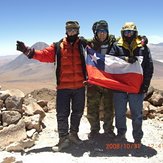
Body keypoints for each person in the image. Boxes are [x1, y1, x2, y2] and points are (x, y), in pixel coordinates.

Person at [16, 21, 87, 151]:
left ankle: (73, 135)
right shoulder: (57, 46)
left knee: (77, 113)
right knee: (62, 114)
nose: (72, 32)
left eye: (74, 30)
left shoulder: (83, 45)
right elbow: (44, 55)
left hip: (80, 87)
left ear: (78, 31)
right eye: (69, 30)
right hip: (63, 88)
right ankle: (63, 139)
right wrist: (27, 51)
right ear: (66, 31)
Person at [109, 22, 154, 144]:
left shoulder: (142, 47)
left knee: (137, 114)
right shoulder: (116, 46)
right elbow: (110, 61)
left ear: (135, 33)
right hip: (120, 86)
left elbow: (149, 67)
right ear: (122, 33)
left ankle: (137, 137)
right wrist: (125, 59)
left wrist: (145, 86)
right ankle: (121, 134)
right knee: (119, 113)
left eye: (131, 32)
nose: (128, 34)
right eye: (126, 32)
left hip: (137, 87)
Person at [86, 20, 116, 139]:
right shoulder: (90, 43)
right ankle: (94, 130)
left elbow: (127, 39)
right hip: (94, 81)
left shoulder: (113, 42)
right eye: (99, 31)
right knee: (92, 107)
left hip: (108, 81)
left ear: (107, 32)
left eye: (104, 31)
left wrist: (141, 39)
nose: (102, 34)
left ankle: (108, 130)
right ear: (96, 32)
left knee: (109, 106)